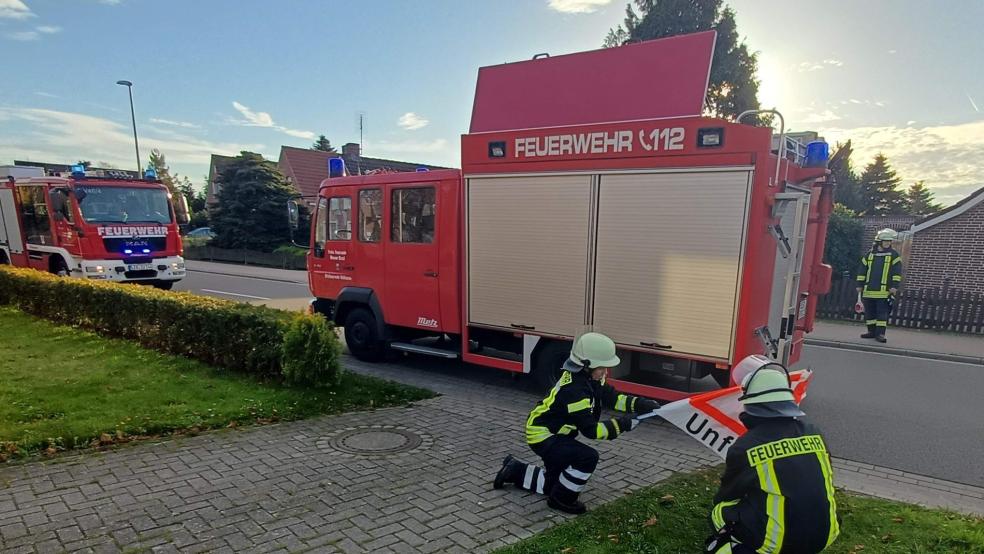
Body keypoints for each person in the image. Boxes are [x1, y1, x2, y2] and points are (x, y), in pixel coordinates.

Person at [492, 332, 659, 514]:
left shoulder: (589, 378)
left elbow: (613, 398)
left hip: (554, 433)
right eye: (602, 367)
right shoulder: (575, 391)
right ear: (586, 365)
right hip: (544, 436)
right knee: (587, 457)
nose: (605, 372)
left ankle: (514, 470)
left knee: (553, 483)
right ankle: (561, 500)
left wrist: (641, 404)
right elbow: (591, 431)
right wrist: (623, 425)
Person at [706, 355, 839, 553]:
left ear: (750, 405)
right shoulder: (813, 430)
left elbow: (728, 494)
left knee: (718, 513)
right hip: (825, 535)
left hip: (779, 545)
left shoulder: (745, 446)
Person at [856, 228, 903, 343]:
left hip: (884, 292)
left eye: (889, 241)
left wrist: (894, 286)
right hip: (868, 290)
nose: (888, 243)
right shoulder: (869, 255)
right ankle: (871, 332)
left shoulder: (894, 255)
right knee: (870, 313)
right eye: (886, 241)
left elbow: (897, 273)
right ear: (879, 242)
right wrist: (859, 284)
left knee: (882, 314)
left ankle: (880, 334)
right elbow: (862, 271)